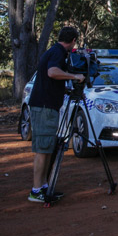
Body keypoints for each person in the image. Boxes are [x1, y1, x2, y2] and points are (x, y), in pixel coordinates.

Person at [27, 26, 85, 202]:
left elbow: (50, 79)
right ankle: (36, 190)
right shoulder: (58, 52)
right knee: (43, 149)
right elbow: (52, 72)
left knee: (47, 147)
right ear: (73, 40)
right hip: (44, 107)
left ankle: (45, 186)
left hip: (47, 105)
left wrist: (66, 92)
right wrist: (74, 77)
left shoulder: (54, 51)